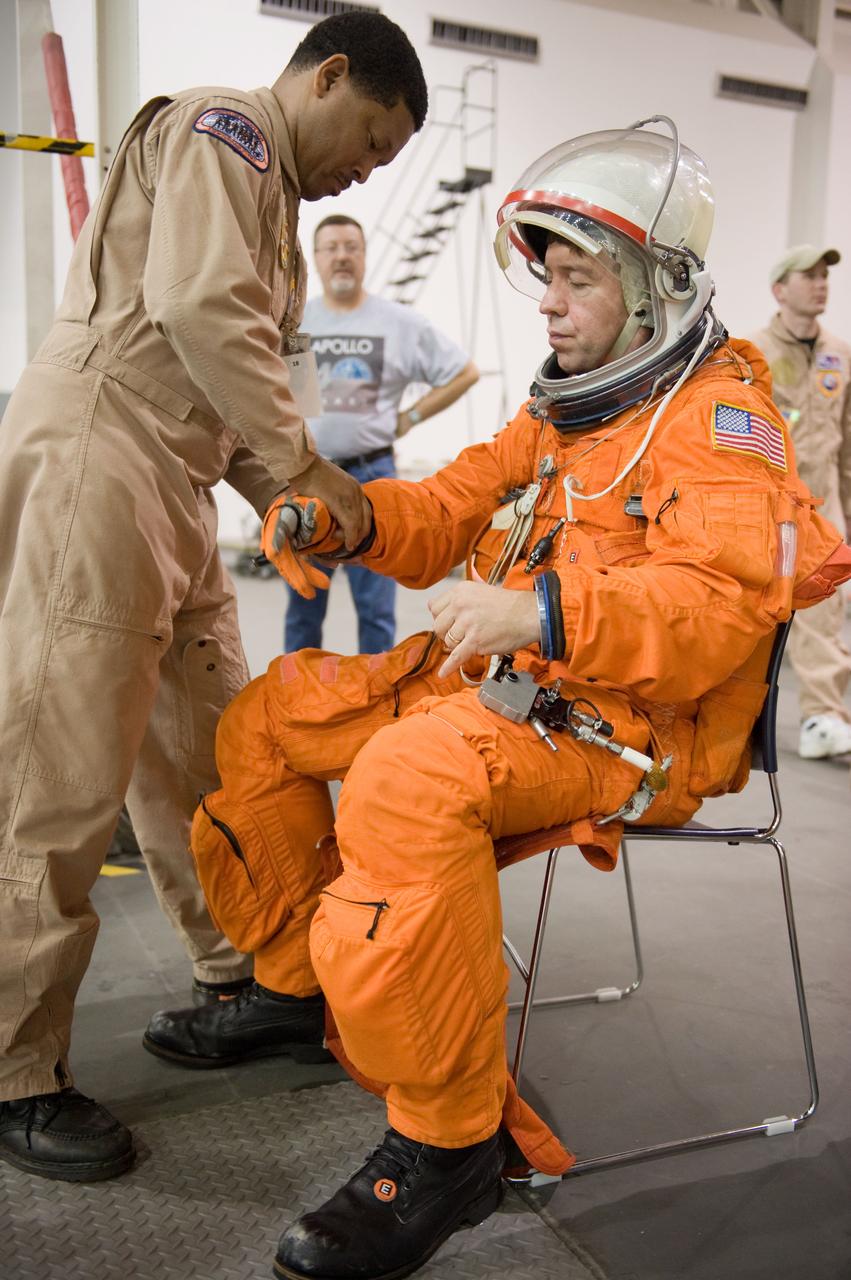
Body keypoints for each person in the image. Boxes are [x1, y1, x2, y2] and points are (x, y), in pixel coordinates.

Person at [144, 121, 851, 1280]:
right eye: (547, 275)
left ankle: (448, 1141)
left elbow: (715, 604)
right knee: (267, 712)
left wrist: (543, 614)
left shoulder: (722, 423)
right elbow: (449, 505)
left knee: (405, 778)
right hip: (525, 690)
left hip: (639, 729)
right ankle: (290, 982)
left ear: (653, 287)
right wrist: (354, 516)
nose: (551, 304)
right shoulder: (567, 413)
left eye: (580, 280)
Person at [0, 12, 427, 1183]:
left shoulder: (278, 214)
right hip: (102, 451)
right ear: (327, 75)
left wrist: (285, 488)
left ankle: (243, 977)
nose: (366, 170)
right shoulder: (224, 130)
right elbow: (193, 311)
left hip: (174, 479)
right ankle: (14, 1066)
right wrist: (302, 466)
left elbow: (220, 384)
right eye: (372, 140)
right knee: (63, 766)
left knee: (216, 755)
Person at [285, 214, 478, 654]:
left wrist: (408, 418)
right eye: (331, 247)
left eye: (351, 247)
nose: (342, 257)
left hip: (372, 475)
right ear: (315, 258)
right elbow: (292, 403)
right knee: (303, 605)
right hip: (309, 478)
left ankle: (374, 708)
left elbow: (463, 373)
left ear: (364, 256)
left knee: (375, 610)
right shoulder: (298, 324)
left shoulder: (399, 323)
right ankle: (293, 704)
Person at [751, 247, 851, 759]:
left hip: (825, 503)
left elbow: (846, 439)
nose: (820, 285)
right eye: (807, 277)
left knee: (826, 606)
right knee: (748, 615)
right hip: (771, 506)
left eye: (824, 276)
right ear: (779, 289)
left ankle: (822, 717)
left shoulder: (840, 353)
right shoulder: (755, 353)